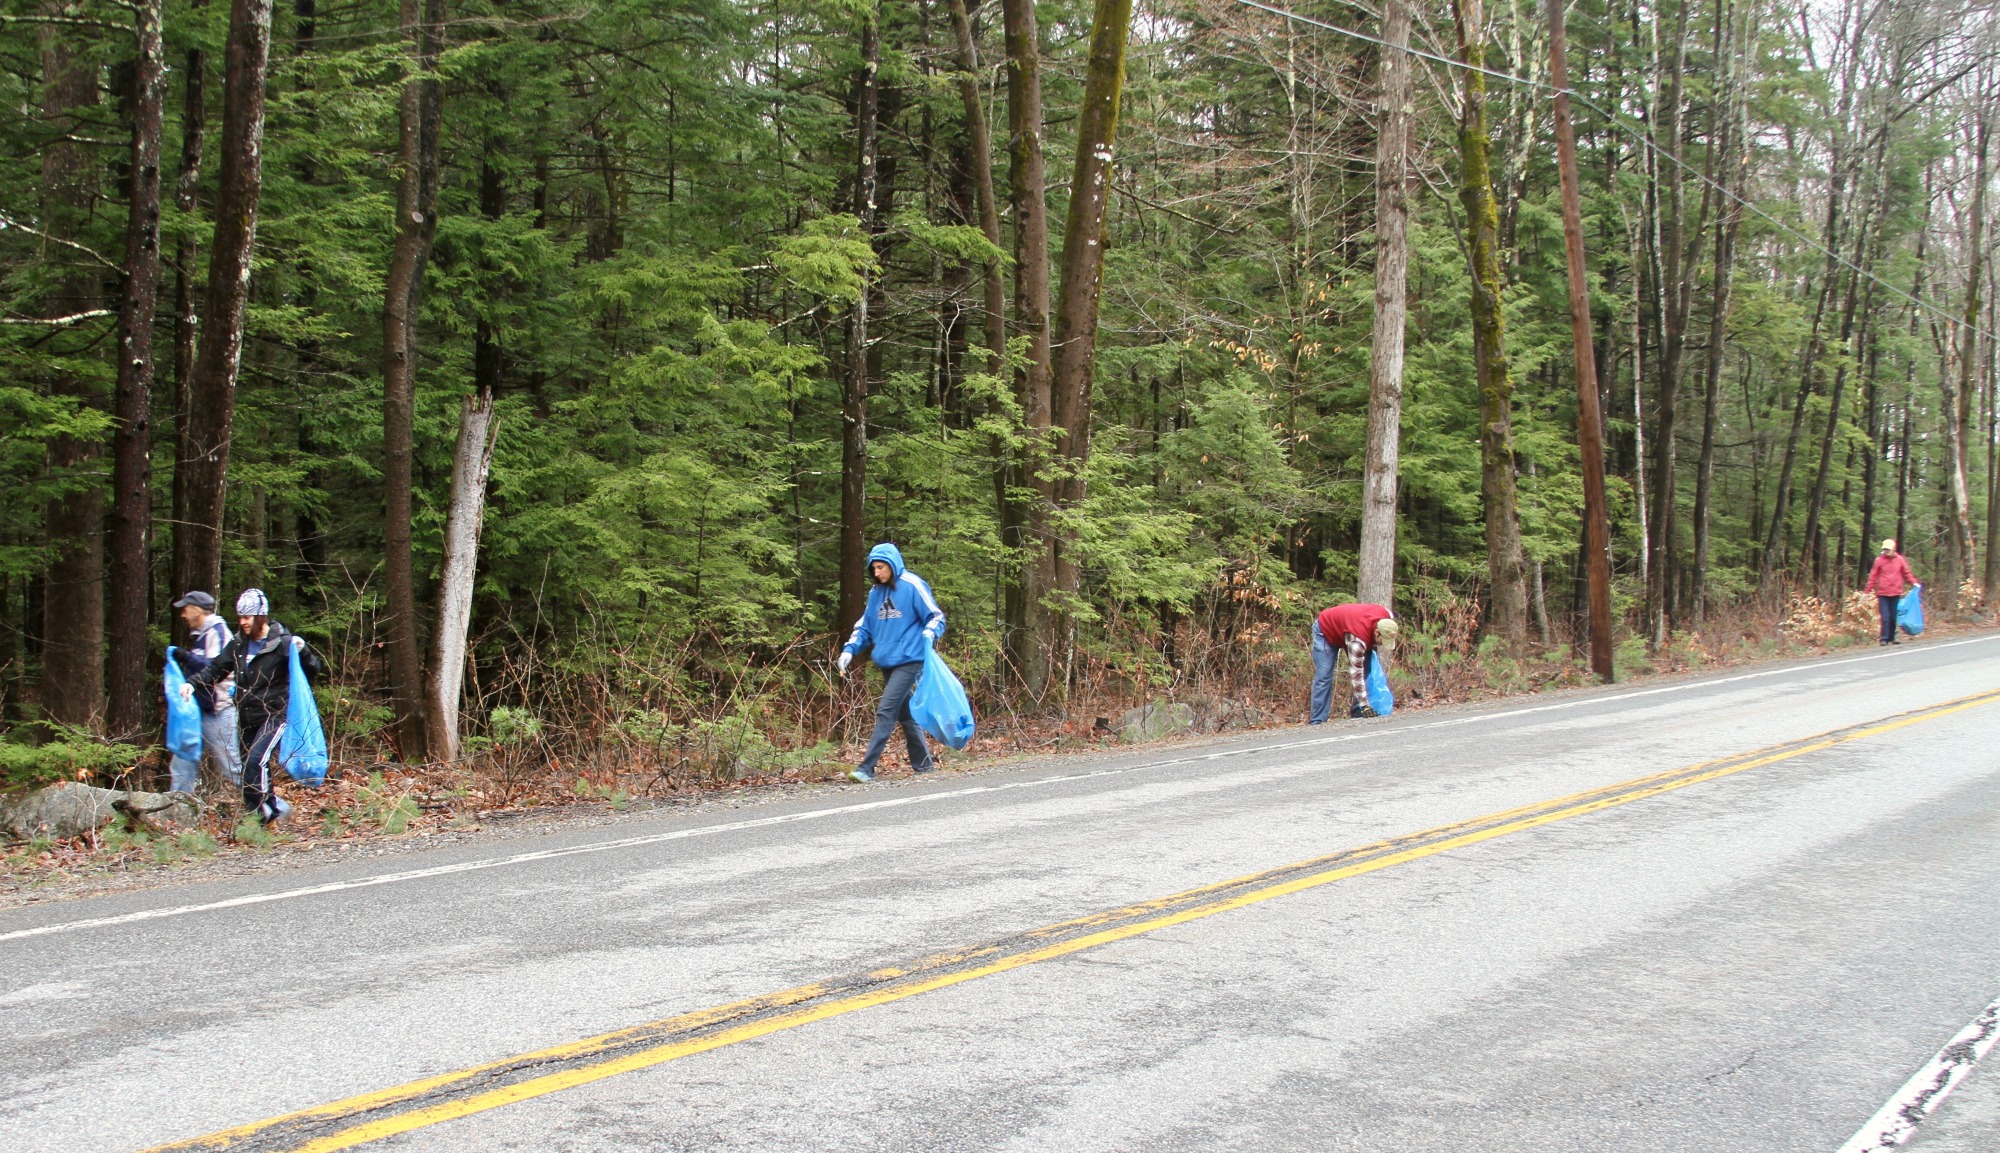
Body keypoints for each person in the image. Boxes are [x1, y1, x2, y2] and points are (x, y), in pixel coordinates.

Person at [183, 589, 323, 826]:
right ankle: (268, 815)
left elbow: (312, 671)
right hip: (248, 715)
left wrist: (304, 651)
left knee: (255, 762)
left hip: (276, 714)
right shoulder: (238, 644)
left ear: (261, 616)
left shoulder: (282, 643)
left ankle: (259, 816)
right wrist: (191, 684)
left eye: (247, 617)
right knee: (252, 768)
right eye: (240, 617)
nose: (242, 622)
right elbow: (216, 669)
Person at [836, 543, 946, 783]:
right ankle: (924, 766)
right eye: (874, 568)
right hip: (887, 660)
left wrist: (929, 633)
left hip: (910, 658)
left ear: (892, 565)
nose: (877, 573)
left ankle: (866, 768)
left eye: (881, 567)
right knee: (906, 715)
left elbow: (936, 616)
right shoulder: (875, 593)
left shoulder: (912, 585)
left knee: (886, 711)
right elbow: (864, 626)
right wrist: (849, 650)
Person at [165, 591, 243, 795]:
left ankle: (273, 809)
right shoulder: (201, 635)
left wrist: (185, 657)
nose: (183, 615)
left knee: (233, 769)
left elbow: (214, 668)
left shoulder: (217, 632)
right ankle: (178, 813)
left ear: (196, 610)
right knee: (182, 760)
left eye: (185, 609)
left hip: (218, 712)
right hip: (197, 712)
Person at [1311, 602, 1399, 723]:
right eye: (1382, 640)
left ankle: (1357, 713)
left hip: (1349, 626)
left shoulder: (1386, 616)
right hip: (1326, 630)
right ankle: (1317, 720)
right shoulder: (1358, 641)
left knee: (1367, 669)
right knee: (1324, 676)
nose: (1383, 644)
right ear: (1377, 632)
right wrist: (1365, 704)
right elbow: (1356, 673)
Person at [1863, 538, 1919, 646]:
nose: (1886, 551)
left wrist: (1914, 583)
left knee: (1893, 617)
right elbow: (1872, 576)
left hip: (1895, 592)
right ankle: (1884, 638)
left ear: (1893, 549)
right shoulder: (1879, 560)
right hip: (1883, 593)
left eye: (1888, 549)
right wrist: (1866, 592)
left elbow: (1906, 573)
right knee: (1885, 617)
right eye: (1884, 549)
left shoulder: (1900, 560)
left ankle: (1892, 637)